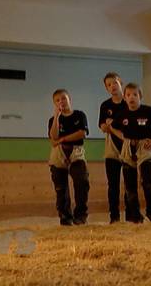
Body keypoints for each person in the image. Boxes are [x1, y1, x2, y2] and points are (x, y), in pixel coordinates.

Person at [107, 83, 151, 223]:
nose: (132, 98)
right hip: (128, 146)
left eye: (135, 94)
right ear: (124, 97)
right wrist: (123, 138)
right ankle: (135, 216)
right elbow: (112, 127)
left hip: (144, 146)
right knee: (130, 186)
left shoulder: (148, 111)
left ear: (140, 96)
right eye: (128, 95)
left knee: (147, 182)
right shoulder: (122, 114)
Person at [47, 89, 90, 226]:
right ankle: (65, 217)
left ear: (69, 99)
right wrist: (56, 117)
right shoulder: (53, 120)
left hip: (76, 152)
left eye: (63, 98)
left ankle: (80, 215)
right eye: (57, 100)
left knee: (82, 182)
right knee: (61, 188)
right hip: (58, 154)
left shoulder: (79, 115)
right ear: (55, 104)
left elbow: (81, 133)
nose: (61, 102)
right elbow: (53, 138)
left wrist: (63, 138)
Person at [98, 72, 126, 223]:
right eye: (109, 85)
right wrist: (109, 126)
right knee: (113, 184)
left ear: (120, 82)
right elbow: (103, 126)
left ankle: (132, 215)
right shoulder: (105, 105)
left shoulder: (128, 101)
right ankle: (114, 217)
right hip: (111, 148)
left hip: (128, 147)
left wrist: (112, 124)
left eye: (114, 83)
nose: (112, 86)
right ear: (106, 88)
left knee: (130, 183)